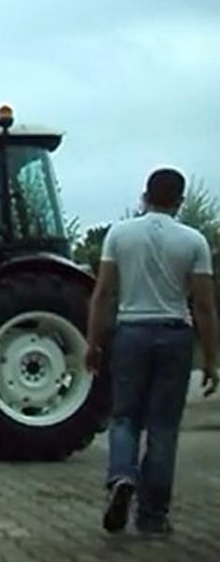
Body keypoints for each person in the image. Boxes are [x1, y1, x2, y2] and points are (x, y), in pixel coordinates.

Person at [85, 167, 218, 535]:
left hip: (131, 332)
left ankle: (122, 476)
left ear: (145, 195)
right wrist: (210, 358)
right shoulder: (193, 241)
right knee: (163, 427)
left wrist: (93, 342)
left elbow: (103, 294)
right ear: (180, 199)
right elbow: (205, 306)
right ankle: (152, 517)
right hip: (175, 334)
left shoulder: (120, 234)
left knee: (124, 417)